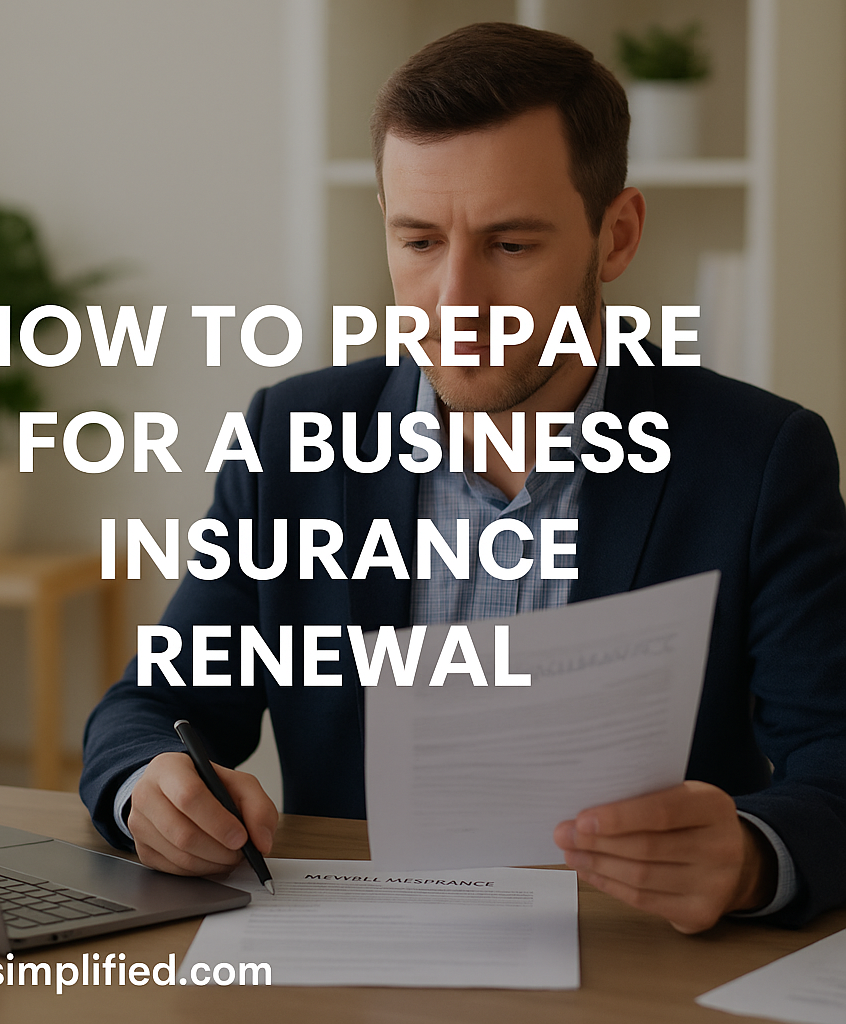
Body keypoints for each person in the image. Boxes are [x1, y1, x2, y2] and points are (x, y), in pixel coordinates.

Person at [81, 22, 846, 933]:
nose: (454, 298)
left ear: (616, 237)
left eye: (511, 245)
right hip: (356, 957)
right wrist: (148, 790)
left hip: (631, 958)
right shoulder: (293, 438)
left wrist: (754, 857)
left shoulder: (758, 460)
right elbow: (152, 706)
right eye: (417, 242)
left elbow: (836, 763)